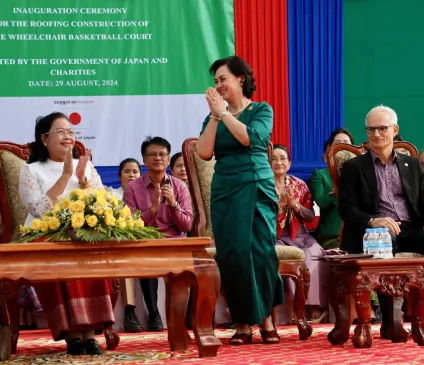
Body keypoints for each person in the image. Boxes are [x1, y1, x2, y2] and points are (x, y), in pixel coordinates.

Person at [339, 105, 424, 339]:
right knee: (384, 239)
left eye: (382, 129)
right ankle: (391, 322)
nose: (376, 134)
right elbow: (346, 209)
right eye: (370, 130)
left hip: (411, 230)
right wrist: (373, 220)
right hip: (375, 234)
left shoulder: (411, 164)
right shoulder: (353, 167)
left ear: (395, 130)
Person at [196, 55, 284, 345]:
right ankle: (243, 322)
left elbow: (251, 139)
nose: (218, 85)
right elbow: (204, 152)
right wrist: (214, 115)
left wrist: (224, 115)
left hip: (257, 185)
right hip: (226, 189)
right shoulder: (215, 115)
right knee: (233, 255)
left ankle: (267, 319)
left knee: (260, 252)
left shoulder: (261, 109)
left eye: (223, 79)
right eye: (215, 81)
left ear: (241, 79)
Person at [18, 112, 115, 355]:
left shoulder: (86, 166)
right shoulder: (31, 170)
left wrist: (83, 180)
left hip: (81, 233)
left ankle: (90, 333)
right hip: (45, 235)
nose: (68, 137)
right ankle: (72, 334)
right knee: (62, 253)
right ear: (44, 138)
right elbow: (38, 210)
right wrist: (64, 176)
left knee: (90, 249)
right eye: (60, 132)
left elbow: (102, 205)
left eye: (71, 132)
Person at [124, 137, 193, 332]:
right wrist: (152, 209)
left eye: (162, 154)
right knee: (146, 255)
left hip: (175, 241)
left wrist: (173, 205)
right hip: (146, 241)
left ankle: (185, 314)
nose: (158, 158)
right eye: (152, 155)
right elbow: (129, 226)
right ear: (144, 161)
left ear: (168, 159)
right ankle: (154, 313)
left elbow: (187, 225)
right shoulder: (133, 188)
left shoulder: (179, 187)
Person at [271, 145, 329, 323]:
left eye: (282, 158)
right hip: (275, 235)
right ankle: (297, 308)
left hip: (301, 235)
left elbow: (311, 215)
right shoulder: (263, 185)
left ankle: (315, 308)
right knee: (287, 258)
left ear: (289, 163)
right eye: (273, 159)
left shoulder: (299, 184)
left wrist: (295, 206)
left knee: (315, 252)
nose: (278, 162)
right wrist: (280, 206)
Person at [107, 158, 145, 332]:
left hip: (140, 243)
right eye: (127, 171)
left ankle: (153, 313)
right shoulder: (111, 196)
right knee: (125, 261)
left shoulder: (146, 195)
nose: (131, 175)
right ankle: (129, 312)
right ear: (119, 175)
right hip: (117, 244)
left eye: (135, 171)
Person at [308, 128, 354, 249]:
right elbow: (322, 203)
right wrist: (339, 183)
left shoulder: (359, 173)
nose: (342, 148)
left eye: (346, 143)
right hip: (331, 236)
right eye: (338, 143)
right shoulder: (319, 174)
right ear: (328, 152)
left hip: (358, 233)